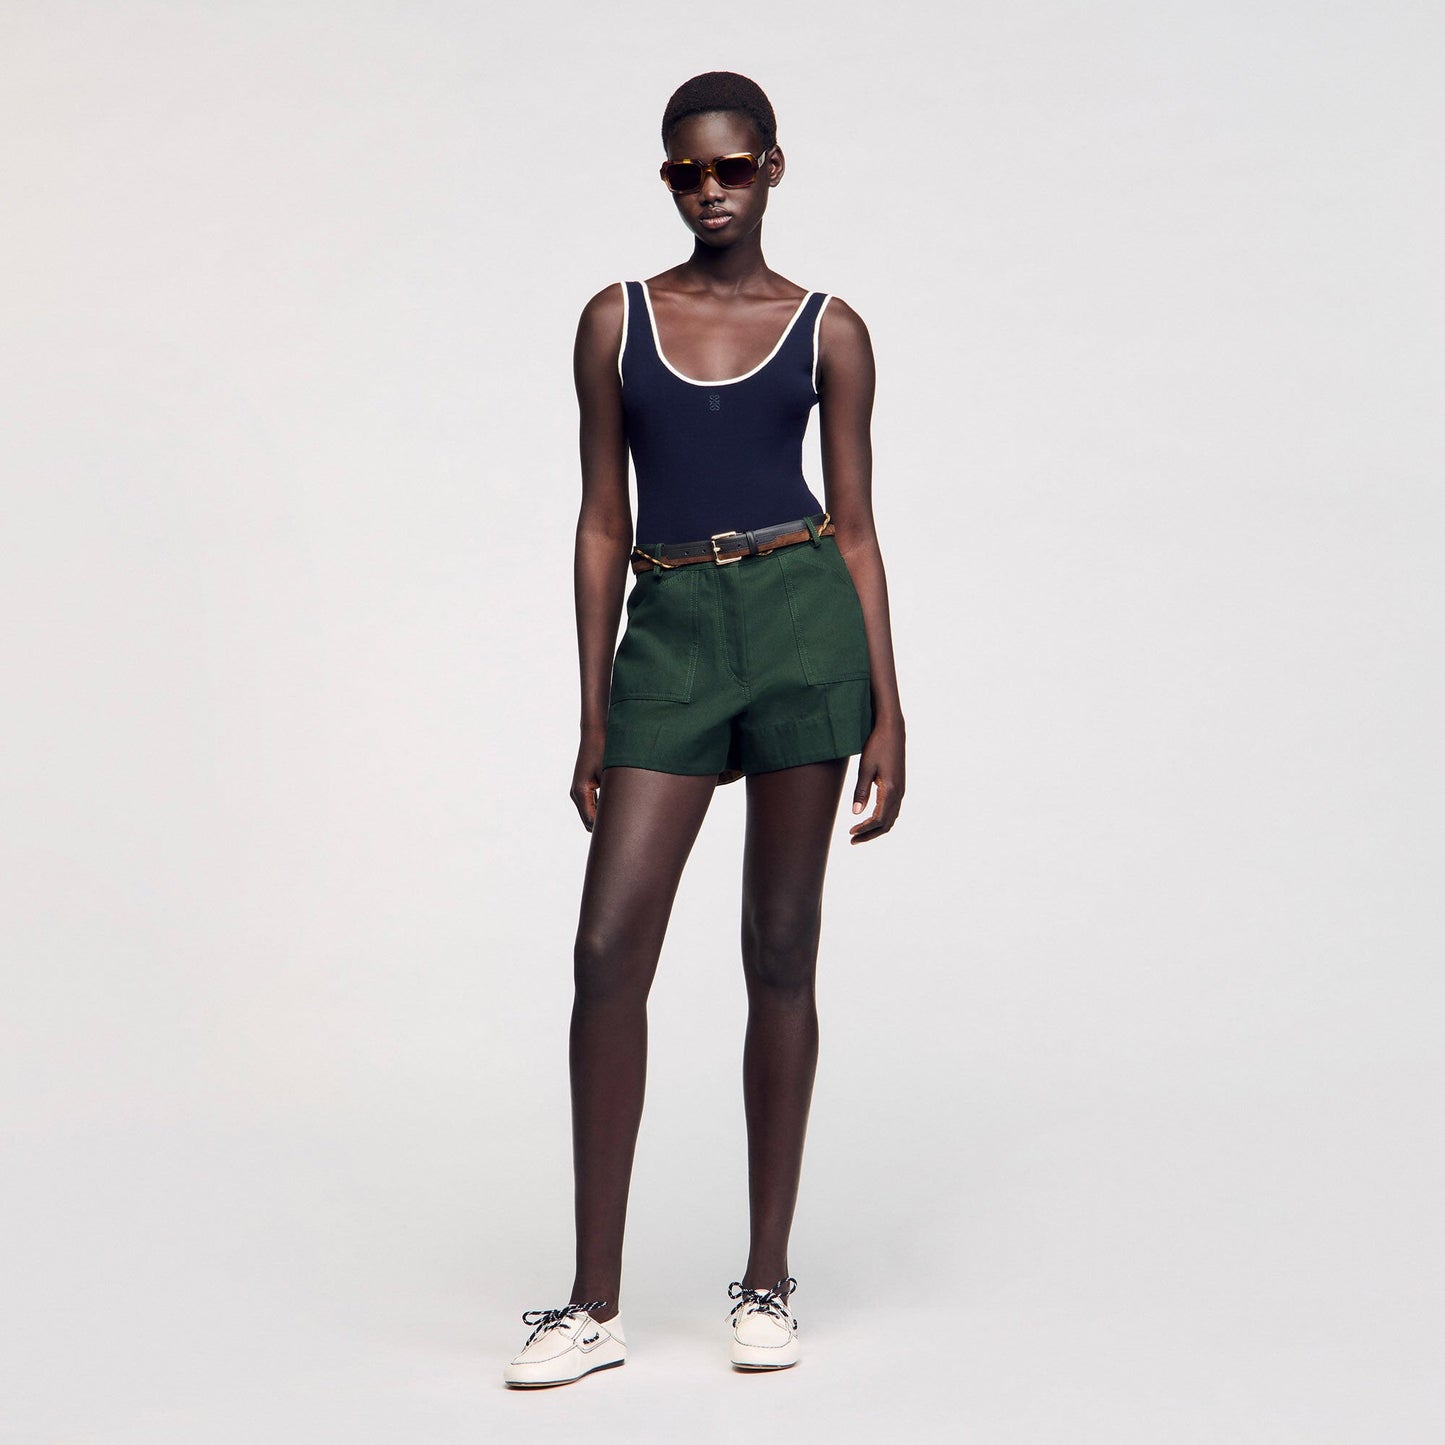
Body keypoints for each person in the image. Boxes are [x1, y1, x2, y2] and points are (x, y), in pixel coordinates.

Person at [503, 71, 906, 1388]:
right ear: (668, 179)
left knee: (780, 947)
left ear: (773, 167)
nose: (711, 190)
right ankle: (593, 1304)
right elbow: (599, 522)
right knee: (607, 950)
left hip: (799, 623)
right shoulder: (615, 321)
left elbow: (856, 528)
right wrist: (593, 712)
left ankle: (766, 1279)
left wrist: (889, 707)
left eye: (733, 167)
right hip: (670, 631)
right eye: (688, 172)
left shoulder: (827, 330)